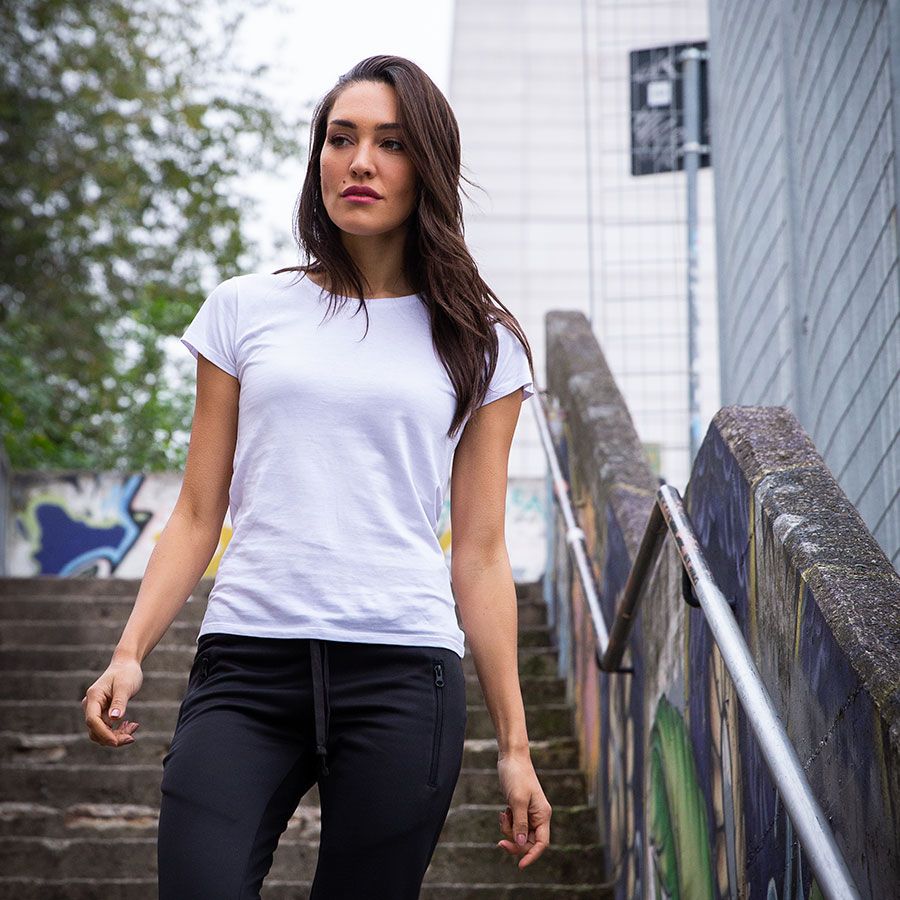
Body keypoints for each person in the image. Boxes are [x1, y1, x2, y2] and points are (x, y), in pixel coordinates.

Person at [81, 54, 552, 898]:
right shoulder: (244, 310)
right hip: (246, 666)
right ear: (319, 158)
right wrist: (129, 651)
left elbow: (481, 552)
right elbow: (197, 511)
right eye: (341, 139)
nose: (360, 161)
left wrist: (515, 748)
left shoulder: (482, 341)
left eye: (390, 143)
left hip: (404, 675)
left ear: (428, 167)